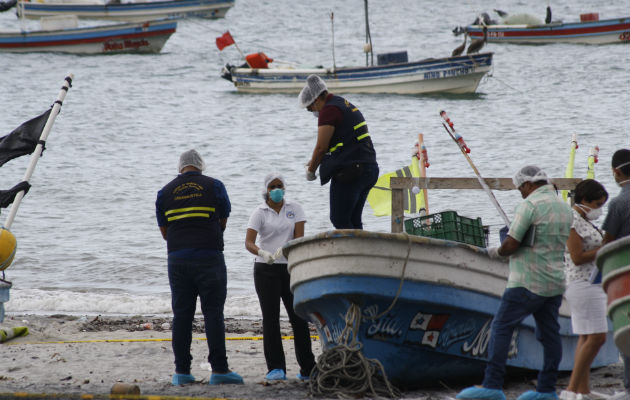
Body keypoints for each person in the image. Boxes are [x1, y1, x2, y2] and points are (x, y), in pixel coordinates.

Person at [457, 165, 573, 400]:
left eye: (520, 188)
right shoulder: (564, 208)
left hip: (527, 281)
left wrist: (494, 252)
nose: (520, 192)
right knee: (550, 335)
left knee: (501, 327)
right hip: (555, 282)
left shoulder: (529, 206)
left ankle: (492, 386)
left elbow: (511, 244)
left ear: (529, 185)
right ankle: (547, 390)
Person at [156, 149, 243, 386]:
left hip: (177, 259)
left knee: (181, 315)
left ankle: (182, 372)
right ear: (200, 166)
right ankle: (220, 371)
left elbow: (165, 231)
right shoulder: (214, 185)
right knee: (213, 313)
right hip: (209, 256)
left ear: (180, 167)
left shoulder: (164, 192)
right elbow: (223, 218)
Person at [245, 173, 316, 381]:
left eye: (280, 186)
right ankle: (276, 368)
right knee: (271, 319)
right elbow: (248, 242)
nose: (277, 189)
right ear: (266, 190)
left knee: (299, 318)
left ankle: (308, 367)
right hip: (265, 269)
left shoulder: (295, 208)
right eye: (273, 186)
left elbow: (299, 238)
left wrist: (289, 251)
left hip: (290, 268)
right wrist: (262, 253)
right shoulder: (259, 212)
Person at [299, 74, 379, 229]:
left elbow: (321, 147)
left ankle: (351, 252)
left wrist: (311, 171)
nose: (313, 113)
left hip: (352, 172)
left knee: (339, 219)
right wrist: (316, 160)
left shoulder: (328, 110)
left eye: (310, 109)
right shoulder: (342, 103)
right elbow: (345, 140)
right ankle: (359, 252)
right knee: (353, 220)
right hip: (369, 168)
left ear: (316, 100)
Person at [560, 179, 609, 400]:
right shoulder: (572, 220)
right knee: (598, 337)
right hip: (582, 283)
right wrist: (604, 250)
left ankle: (582, 389)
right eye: (597, 204)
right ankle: (571, 389)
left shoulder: (585, 221)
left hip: (591, 282)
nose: (599, 209)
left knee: (586, 336)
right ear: (585, 200)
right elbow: (577, 257)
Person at [601, 149, 630, 400]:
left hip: (625, 272)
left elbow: (607, 243)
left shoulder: (619, 203)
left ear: (616, 172)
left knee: (627, 327)